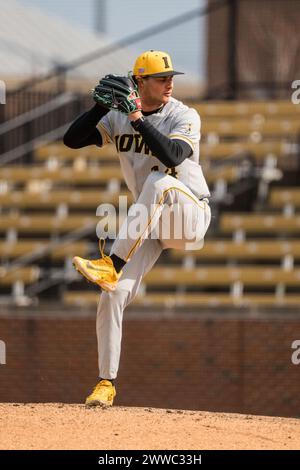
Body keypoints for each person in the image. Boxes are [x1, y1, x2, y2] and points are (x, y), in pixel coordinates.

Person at [63, 50, 211, 407]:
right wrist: (99, 107)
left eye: (171, 76)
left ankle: (111, 264)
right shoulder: (118, 117)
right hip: (153, 224)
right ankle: (106, 383)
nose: (170, 83)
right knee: (111, 295)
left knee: (160, 182)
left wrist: (137, 117)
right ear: (139, 82)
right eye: (161, 78)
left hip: (188, 213)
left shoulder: (183, 114)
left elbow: (174, 156)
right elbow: (72, 140)